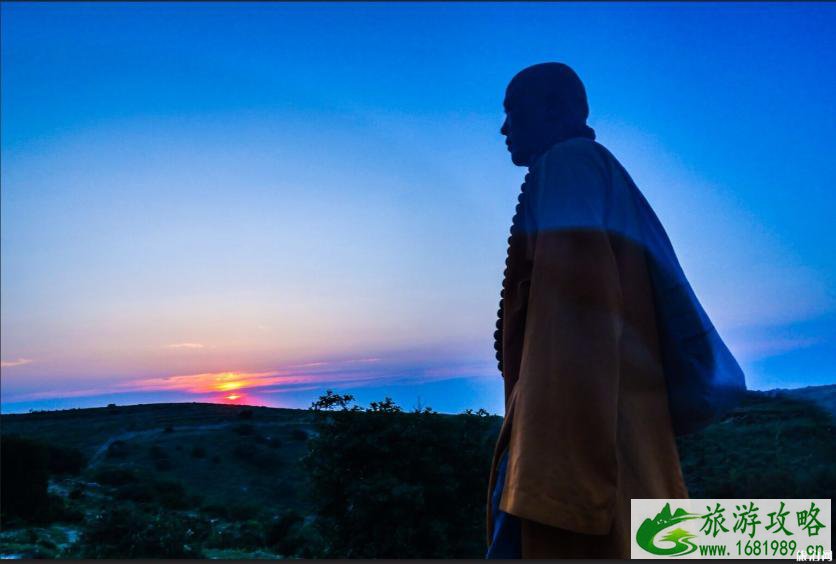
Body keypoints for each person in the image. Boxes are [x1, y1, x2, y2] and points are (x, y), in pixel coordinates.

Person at [485, 62, 744, 559]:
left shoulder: (568, 164)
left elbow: (575, 315)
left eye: (512, 111)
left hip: (574, 449)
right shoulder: (589, 167)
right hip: (609, 434)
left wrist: (555, 482)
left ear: (557, 110)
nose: (503, 128)